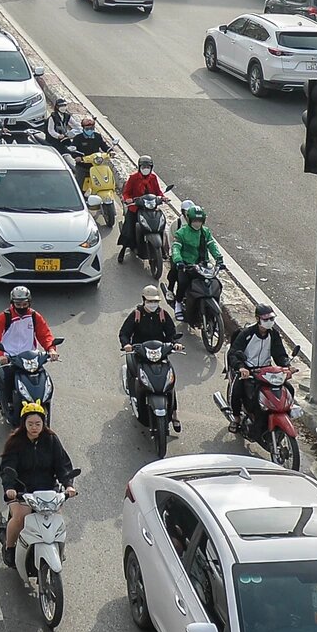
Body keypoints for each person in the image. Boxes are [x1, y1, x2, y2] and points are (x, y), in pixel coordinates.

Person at [0, 403, 76, 567]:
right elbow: (7, 468)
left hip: (48, 492)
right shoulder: (15, 442)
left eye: (37, 424)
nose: (34, 427)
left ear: (43, 423)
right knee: (20, 518)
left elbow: (63, 465)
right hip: (22, 491)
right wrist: (10, 488)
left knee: (57, 519)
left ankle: (58, 549)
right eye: (30, 424)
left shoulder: (52, 440)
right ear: (23, 423)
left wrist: (68, 485)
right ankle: (9, 548)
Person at [119, 287, 181, 433]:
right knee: (137, 378)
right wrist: (127, 344)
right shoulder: (136, 315)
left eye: (155, 301)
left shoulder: (163, 315)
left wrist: (175, 343)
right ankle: (136, 398)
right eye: (150, 301)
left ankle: (174, 413)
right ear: (144, 300)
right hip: (141, 353)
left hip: (160, 353)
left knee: (169, 382)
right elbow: (124, 333)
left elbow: (172, 333)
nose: (153, 304)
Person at [0, 286, 56, 409]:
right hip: (10, 358)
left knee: (42, 379)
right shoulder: (4, 317)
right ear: (12, 303)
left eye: (25, 304)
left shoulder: (35, 316)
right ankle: (7, 404)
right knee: (6, 380)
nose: (22, 307)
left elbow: (45, 334)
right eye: (18, 304)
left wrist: (51, 349)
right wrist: (0, 354)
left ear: (29, 302)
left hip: (30, 357)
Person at [225, 305, 290, 433]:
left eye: (271, 319)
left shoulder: (274, 334)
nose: (269, 322)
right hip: (248, 371)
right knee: (237, 391)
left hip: (267, 372)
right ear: (257, 319)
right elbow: (234, 352)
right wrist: (241, 367)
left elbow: (279, 353)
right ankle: (236, 418)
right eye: (265, 319)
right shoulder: (246, 334)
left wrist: (287, 366)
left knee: (289, 389)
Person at [167, 204, 225, 322]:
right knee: (182, 283)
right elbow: (176, 248)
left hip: (203, 266)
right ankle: (178, 304)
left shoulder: (205, 232)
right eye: (195, 220)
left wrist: (219, 258)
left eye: (199, 221)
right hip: (187, 266)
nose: (197, 223)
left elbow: (212, 245)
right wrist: (178, 261)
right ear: (189, 220)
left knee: (217, 284)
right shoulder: (181, 233)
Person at [118, 157, 167, 254]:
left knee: (160, 224)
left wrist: (163, 197)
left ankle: (162, 249)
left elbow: (158, 191)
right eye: (144, 166)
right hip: (136, 207)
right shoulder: (133, 178)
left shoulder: (153, 178)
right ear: (139, 167)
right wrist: (128, 199)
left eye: (148, 167)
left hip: (150, 207)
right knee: (130, 226)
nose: (146, 168)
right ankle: (124, 249)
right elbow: (126, 192)